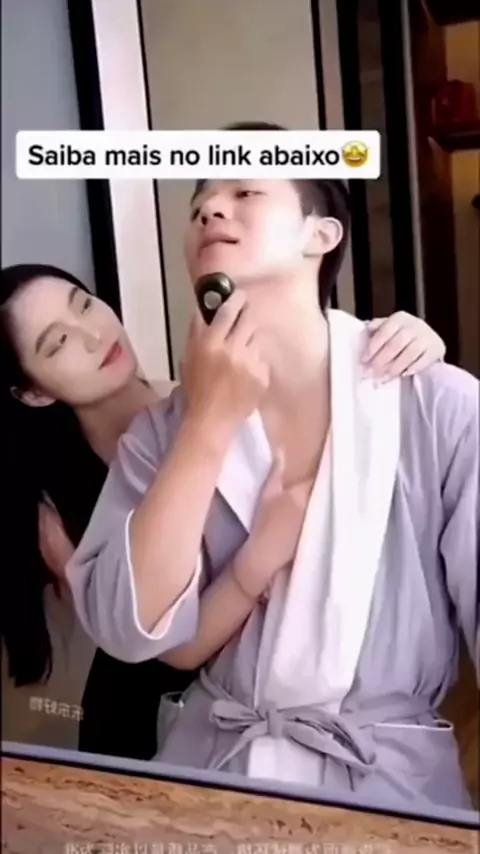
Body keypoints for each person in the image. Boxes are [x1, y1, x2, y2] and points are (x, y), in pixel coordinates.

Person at [66, 122, 478, 808]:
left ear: (321, 234)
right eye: (199, 203)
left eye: (245, 191)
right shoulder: (160, 434)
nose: (209, 209)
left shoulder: (438, 405)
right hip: (211, 778)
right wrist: (207, 423)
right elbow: (128, 628)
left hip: (387, 785)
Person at [0, 260, 445, 757]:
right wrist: (258, 559)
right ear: (33, 393)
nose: (92, 334)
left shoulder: (215, 397)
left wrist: (407, 353)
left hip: (290, 702)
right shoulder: (57, 512)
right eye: (58, 342)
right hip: (160, 725)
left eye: (83, 304)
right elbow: (169, 651)